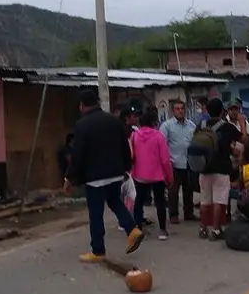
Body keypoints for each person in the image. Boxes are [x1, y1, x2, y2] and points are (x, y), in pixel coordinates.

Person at [64, 89, 145, 262]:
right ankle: (132, 229)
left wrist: (69, 178)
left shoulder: (82, 125)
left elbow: (78, 155)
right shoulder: (114, 121)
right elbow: (124, 146)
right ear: (98, 102)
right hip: (115, 173)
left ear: (82, 106)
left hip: (95, 178)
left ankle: (98, 251)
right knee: (115, 202)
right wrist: (125, 168)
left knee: (95, 213)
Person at [192, 98, 242, 240]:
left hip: (204, 167)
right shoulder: (227, 127)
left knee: (205, 200)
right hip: (221, 168)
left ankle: (203, 228)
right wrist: (242, 123)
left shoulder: (200, 126)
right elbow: (244, 139)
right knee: (219, 201)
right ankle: (216, 230)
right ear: (222, 111)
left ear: (207, 111)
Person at [131, 111, 174, 240]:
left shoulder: (134, 136)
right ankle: (162, 230)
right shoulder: (159, 136)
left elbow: (131, 155)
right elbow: (165, 160)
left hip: (139, 175)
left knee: (138, 201)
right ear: (153, 123)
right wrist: (169, 176)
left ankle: (138, 228)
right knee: (160, 201)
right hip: (157, 175)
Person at [159, 99, 197, 224]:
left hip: (189, 162)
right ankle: (173, 215)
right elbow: (162, 145)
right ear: (173, 111)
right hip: (173, 163)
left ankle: (189, 213)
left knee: (188, 190)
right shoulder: (167, 126)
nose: (181, 111)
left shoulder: (191, 125)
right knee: (173, 191)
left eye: (182, 108)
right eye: (177, 109)